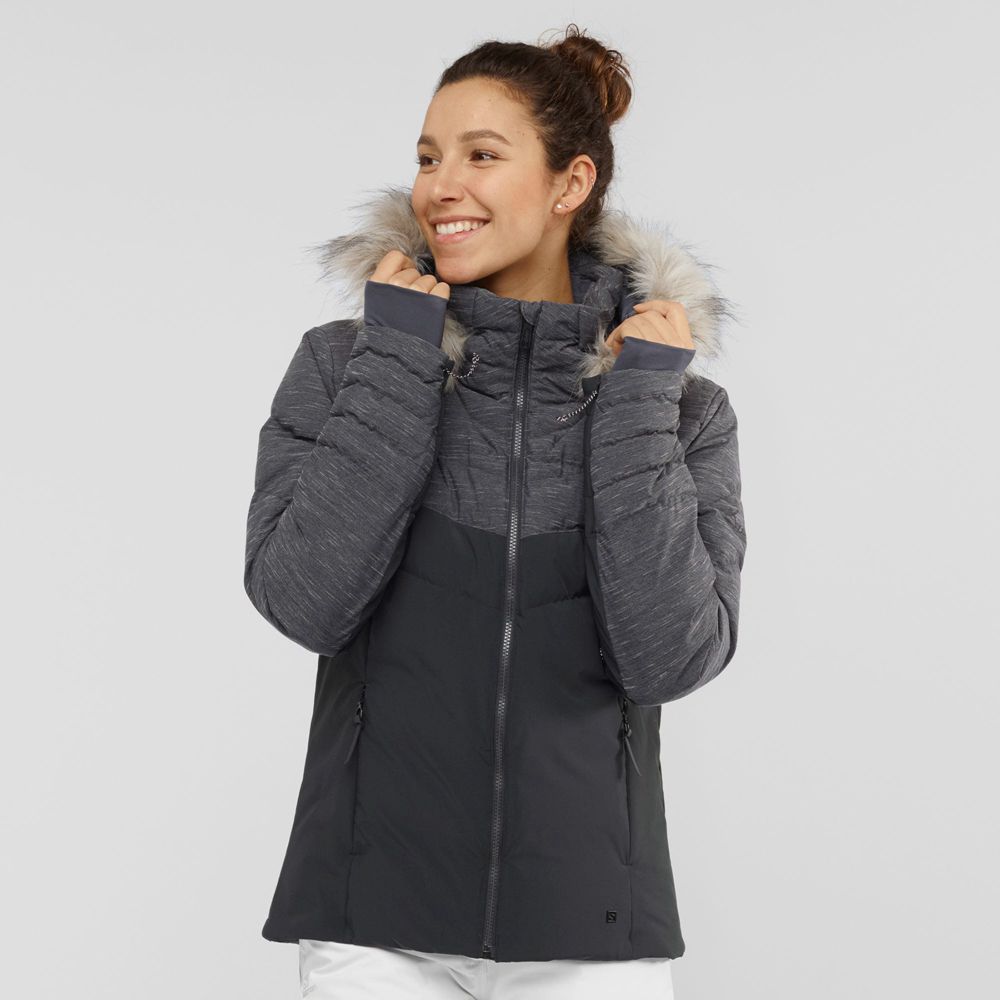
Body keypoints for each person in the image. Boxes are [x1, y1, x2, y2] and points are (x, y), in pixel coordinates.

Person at [243, 23, 747, 1000]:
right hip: (372, 926)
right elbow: (306, 602)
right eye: (429, 156)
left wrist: (634, 400)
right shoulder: (346, 366)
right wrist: (400, 357)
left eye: (481, 155)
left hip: (591, 932)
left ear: (570, 184)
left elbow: (668, 658)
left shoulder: (679, 408)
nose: (441, 186)